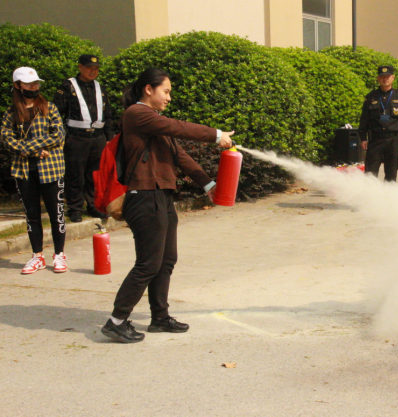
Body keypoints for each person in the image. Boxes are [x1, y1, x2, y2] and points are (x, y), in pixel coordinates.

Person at [101, 68, 235, 344]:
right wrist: (215, 134)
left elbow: (179, 154)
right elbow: (179, 127)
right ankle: (116, 321)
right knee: (148, 263)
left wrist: (208, 184)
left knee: (165, 261)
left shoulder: (155, 122)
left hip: (161, 195)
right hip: (143, 195)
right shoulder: (137, 114)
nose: (169, 97)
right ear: (148, 89)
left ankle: (160, 317)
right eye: (166, 91)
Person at [1, 68, 68, 274]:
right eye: (29, 84)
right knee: (31, 215)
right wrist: (34, 150)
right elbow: (7, 138)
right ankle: (37, 255)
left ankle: (59, 254)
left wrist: (30, 147)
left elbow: (58, 134)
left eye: (36, 83)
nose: (34, 87)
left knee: (56, 213)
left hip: (51, 168)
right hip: (23, 170)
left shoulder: (49, 108)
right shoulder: (11, 113)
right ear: (17, 86)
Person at [53, 54, 115, 222]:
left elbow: (107, 114)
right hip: (76, 137)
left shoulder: (100, 88)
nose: (93, 71)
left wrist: (109, 137)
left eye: (96, 69)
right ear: (80, 67)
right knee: (75, 175)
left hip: (98, 137)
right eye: (89, 68)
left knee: (95, 175)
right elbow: (56, 113)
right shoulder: (68, 86)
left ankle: (94, 206)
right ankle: (75, 208)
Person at [359, 65, 398, 182]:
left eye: (387, 76)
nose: (385, 79)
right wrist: (363, 138)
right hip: (375, 139)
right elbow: (364, 119)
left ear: (393, 78)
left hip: (393, 140)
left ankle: (389, 193)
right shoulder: (371, 97)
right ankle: (370, 193)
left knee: (391, 173)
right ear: (378, 79)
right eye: (382, 77)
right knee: (370, 173)